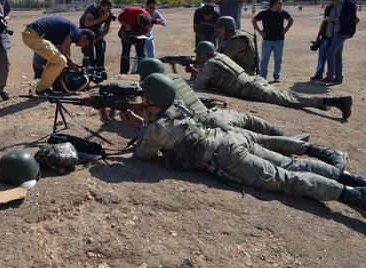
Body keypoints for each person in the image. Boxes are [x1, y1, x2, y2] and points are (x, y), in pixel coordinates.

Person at [124, 73, 366, 213]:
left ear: (151, 98)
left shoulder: (157, 128)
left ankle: (352, 195)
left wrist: (143, 122)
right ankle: (352, 179)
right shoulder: (177, 105)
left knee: (287, 179)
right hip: (232, 139)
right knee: (292, 164)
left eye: (144, 95)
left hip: (229, 157)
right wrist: (143, 117)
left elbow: (142, 154)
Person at [135, 59, 347, 169]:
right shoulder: (172, 79)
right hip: (217, 114)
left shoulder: (156, 95)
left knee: (265, 154)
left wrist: (140, 118)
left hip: (209, 127)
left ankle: (298, 150)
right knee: (258, 131)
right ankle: (300, 143)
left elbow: (156, 126)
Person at [188, 41, 353, 119]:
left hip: (251, 88)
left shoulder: (209, 64)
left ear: (203, 54)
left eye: (199, 55)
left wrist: (194, 71)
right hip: (255, 81)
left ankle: (335, 101)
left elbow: (198, 86)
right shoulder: (219, 56)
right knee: (287, 96)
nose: (198, 57)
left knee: (289, 99)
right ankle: (322, 103)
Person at [21, 16, 94, 95]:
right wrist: (70, 64)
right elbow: (63, 49)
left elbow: (66, 50)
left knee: (55, 60)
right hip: (33, 36)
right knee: (61, 61)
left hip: (31, 34)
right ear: (84, 37)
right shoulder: (75, 32)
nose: (82, 46)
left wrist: (71, 63)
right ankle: (41, 89)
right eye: (85, 44)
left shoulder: (73, 30)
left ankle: (42, 87)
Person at [251, 0, 294, 82]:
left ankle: (276, 76)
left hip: (279, 40)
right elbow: (253, 21)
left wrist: (286, 29)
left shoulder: (283, 13)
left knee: (278, 59)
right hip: (267, 40)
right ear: (274, 4)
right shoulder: (264, 13)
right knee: (264, 60)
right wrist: (260, 32)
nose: (281, 5)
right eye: (279, 3)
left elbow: (291, 20)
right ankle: (263, 77)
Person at [323, 0, 357, 84]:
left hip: (343, 31)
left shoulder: (348, 3)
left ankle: (330, 77)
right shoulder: (338, 3)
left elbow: (350, 18)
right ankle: (338, 78)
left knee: (330, 53)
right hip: (337, 31)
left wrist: (335, 19)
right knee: (337, 54)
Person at [132, 0, 166, 72]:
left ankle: (152, 71)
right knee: (139, 56)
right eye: (150, 8)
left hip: (149, 37)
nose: (152, 10)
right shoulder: (141, 13)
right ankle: (134, 71)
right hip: (140, 37)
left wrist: (161, 22)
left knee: (152, 55)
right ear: (146, 6)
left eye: (154, 8)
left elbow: (164, 22)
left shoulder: (156, 13)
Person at [117, 5, 152, 74]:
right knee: (125, 53)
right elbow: (119, 18)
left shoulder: (148, 17)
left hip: (139, 34)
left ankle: (142, 72)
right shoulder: (129, 11)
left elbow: (146, 31)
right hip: (127, 32)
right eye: (140, 25)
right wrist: (126, 25)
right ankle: (124, 73)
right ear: (138, 19)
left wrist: (138, 38)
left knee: (141, 54)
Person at [79, 0, 113, 67]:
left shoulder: (108, 14)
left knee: (100, 48)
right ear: (101, 6)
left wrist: (96, 39)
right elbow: (87, 23)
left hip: (96, 29)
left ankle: (100, 69)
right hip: (86, 29)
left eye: (110, 9)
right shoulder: (93, 9)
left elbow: (106, 30)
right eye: (107, 9)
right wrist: (101, 18)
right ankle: (90, 68)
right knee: (88, 51)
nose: (108, 11)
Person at [311, 0, 337, 81]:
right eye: (335, 0)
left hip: (335, 37)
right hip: (325, 37)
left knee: (332, 57)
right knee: (321, 57)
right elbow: (324, 22)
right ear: (332, 1)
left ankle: (330, 76)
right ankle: (319, 74)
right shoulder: (328, 9)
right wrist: (318, 36)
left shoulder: (342, 10)